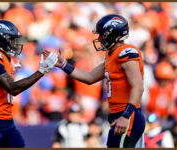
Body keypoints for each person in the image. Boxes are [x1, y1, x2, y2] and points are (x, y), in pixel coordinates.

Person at [44, 14, 145, 148]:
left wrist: (125, 116)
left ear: (113, 34)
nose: (99, 38)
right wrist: (64, 65)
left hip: (128, 116)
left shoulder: (126, 52)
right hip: (119, 116)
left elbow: (138, 86)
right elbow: (90, 77)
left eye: (102, 34)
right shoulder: (112, 55)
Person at [0, 19, 58, 148]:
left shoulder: (5, 57)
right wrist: (41, 71)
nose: (13, 43)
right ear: (0, 38)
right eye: (10, 39)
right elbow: (12, 88)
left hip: (7, 121)